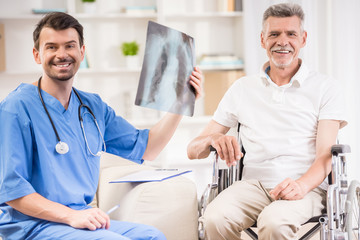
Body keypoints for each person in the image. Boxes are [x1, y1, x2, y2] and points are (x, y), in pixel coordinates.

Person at [0, 12, 203, 240]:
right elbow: (13, 191)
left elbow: (149, 148)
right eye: (51, 47)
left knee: (152, 236)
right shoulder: (15, 108)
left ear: (82, 52)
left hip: (79, 218)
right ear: (37, 55)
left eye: (69, 46)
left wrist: (181, 102)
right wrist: (69, 216)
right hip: (33, 225)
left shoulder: (92, 106)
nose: (62, 54)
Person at [187, 3, 347, 240]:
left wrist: (301, 185)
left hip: (306, 188)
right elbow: (193, 150)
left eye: (291, 34)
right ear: (262, 40)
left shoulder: (325, 87)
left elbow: (326, 154)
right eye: (274, 34)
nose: (282, 41)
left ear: (303, 39)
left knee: (274, 222)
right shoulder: (242, 88)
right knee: (214, 217)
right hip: (253, 186)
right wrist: (213, 138)